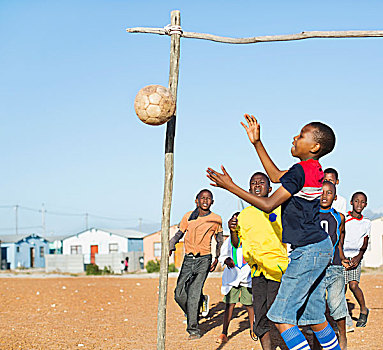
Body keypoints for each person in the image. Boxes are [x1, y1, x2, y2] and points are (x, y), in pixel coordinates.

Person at [207, 114, 341, 350]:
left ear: (315, 146)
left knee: (279, 315)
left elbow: (268, 204)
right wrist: (257, 142)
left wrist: (231, 187)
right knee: (314, 317)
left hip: (308, 252)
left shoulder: (302, 171)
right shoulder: (312, 169)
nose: (294, 137)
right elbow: (276, 176)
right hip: (319, 248)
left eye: (301, 135)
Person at [230, 172, 288, 350]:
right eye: (253, 183)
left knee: (277, 311)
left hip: (277, 269)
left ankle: (291, 344)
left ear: (270, 189)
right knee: (260, 313)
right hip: (256, 271)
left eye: (261, 182)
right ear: (248, 189)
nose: (257, 185)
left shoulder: (279, 209)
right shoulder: (243, 215)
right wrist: (231, 229)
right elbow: (236, 243)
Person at [169, 189, 224, 340]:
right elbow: (178, 234)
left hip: (204, 259)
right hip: (188, 259)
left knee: (193, 292)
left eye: (208, 198)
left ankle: (193, 329)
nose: (205, 201)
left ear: (212, 202)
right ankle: (197, 304)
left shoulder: (216, 219)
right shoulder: (188, 216)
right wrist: (171, 244)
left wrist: (217, 258)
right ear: (196, 200)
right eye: (202, 198)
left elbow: (219, 240)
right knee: (179, 294)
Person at [312, 180, 349, 350]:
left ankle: (342, 335)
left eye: (329, 193)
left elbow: (339, 242)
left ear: (335, 197)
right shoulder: (310, 215)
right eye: (322, 192)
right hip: (314, 268)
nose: (324, 196)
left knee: (336, 304)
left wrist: (342, 258)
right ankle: (318, 341)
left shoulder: (339, 217)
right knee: (317, 305)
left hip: (334, 267)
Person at [216, 212, 254, 344]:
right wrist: (227, 260)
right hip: (232, 277)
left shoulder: (250, 238)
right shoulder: (229, 241)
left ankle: (253, 329)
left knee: (249, 304)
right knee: (230, 304)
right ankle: (224, 332)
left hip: (247, 276)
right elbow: (223, 255)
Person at [343, 191, 371, 328]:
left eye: (362, 202)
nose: (359, 204)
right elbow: (340, 238)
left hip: (356, 257)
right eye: (356, 201)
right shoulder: (345, 219)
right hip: (343, 258)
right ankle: (343, 317)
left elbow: (365, 243)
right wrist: (342, 258)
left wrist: (358, 257)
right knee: (341, 289)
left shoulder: (366, 223)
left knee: (353, 285)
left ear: (365, 205)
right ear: (351, 202)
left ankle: (364, 310)